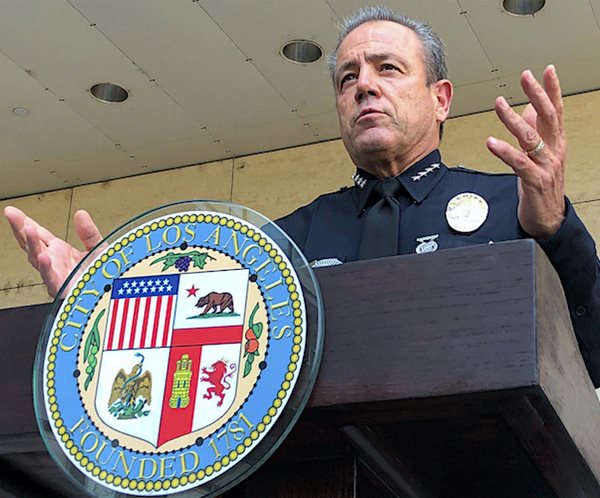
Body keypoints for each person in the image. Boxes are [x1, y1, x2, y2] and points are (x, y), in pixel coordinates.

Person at [5, 7, 599, 384]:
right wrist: (98, 303)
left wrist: (556, 229)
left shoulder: (512, 205)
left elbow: (593, 353)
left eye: (387, 69)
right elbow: (194, 344)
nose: (363, 84)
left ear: (440, 98)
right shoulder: (283, 240)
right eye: (348, 77)